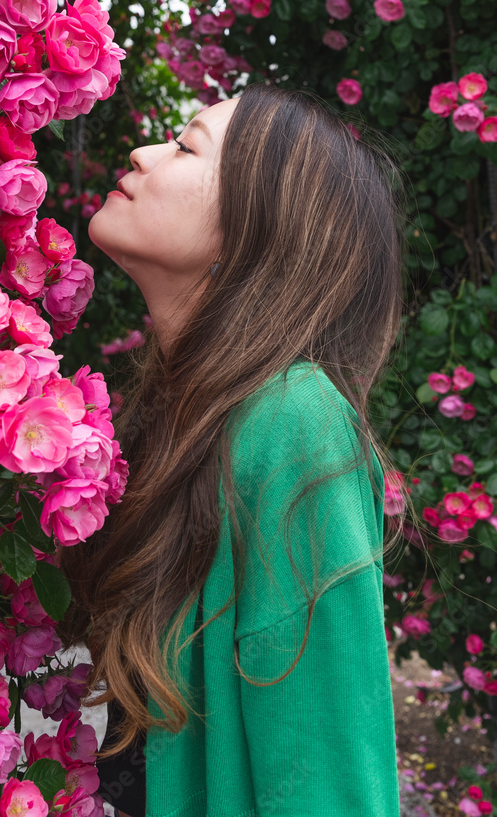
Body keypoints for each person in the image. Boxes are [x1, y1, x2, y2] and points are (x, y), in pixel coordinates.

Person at [55, 82, 412, 817]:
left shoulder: (294, 420)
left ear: (254, 231)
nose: (143, 152)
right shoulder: (179, 419)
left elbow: (331, 776)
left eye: (186, 146)